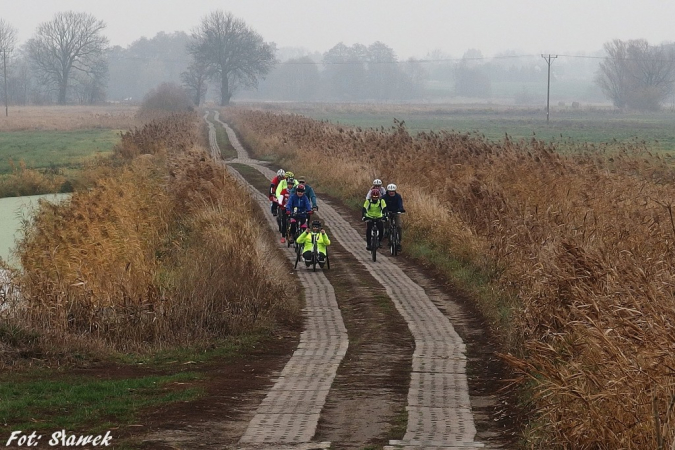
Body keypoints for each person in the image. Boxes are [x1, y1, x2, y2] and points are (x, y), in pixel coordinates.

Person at [385, 183, 405, 252]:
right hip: (387, 212)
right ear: (388, 191)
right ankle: (387, 233)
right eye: (390, 191)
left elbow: (400, 204)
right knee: (386, 222)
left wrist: (401, 209)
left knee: (399, 226)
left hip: (396, 212)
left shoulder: (398, 196)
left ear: (395, 191)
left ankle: (399, 242)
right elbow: (382, 205)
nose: (391, 192)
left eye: (392, 191)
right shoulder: (384, 197)